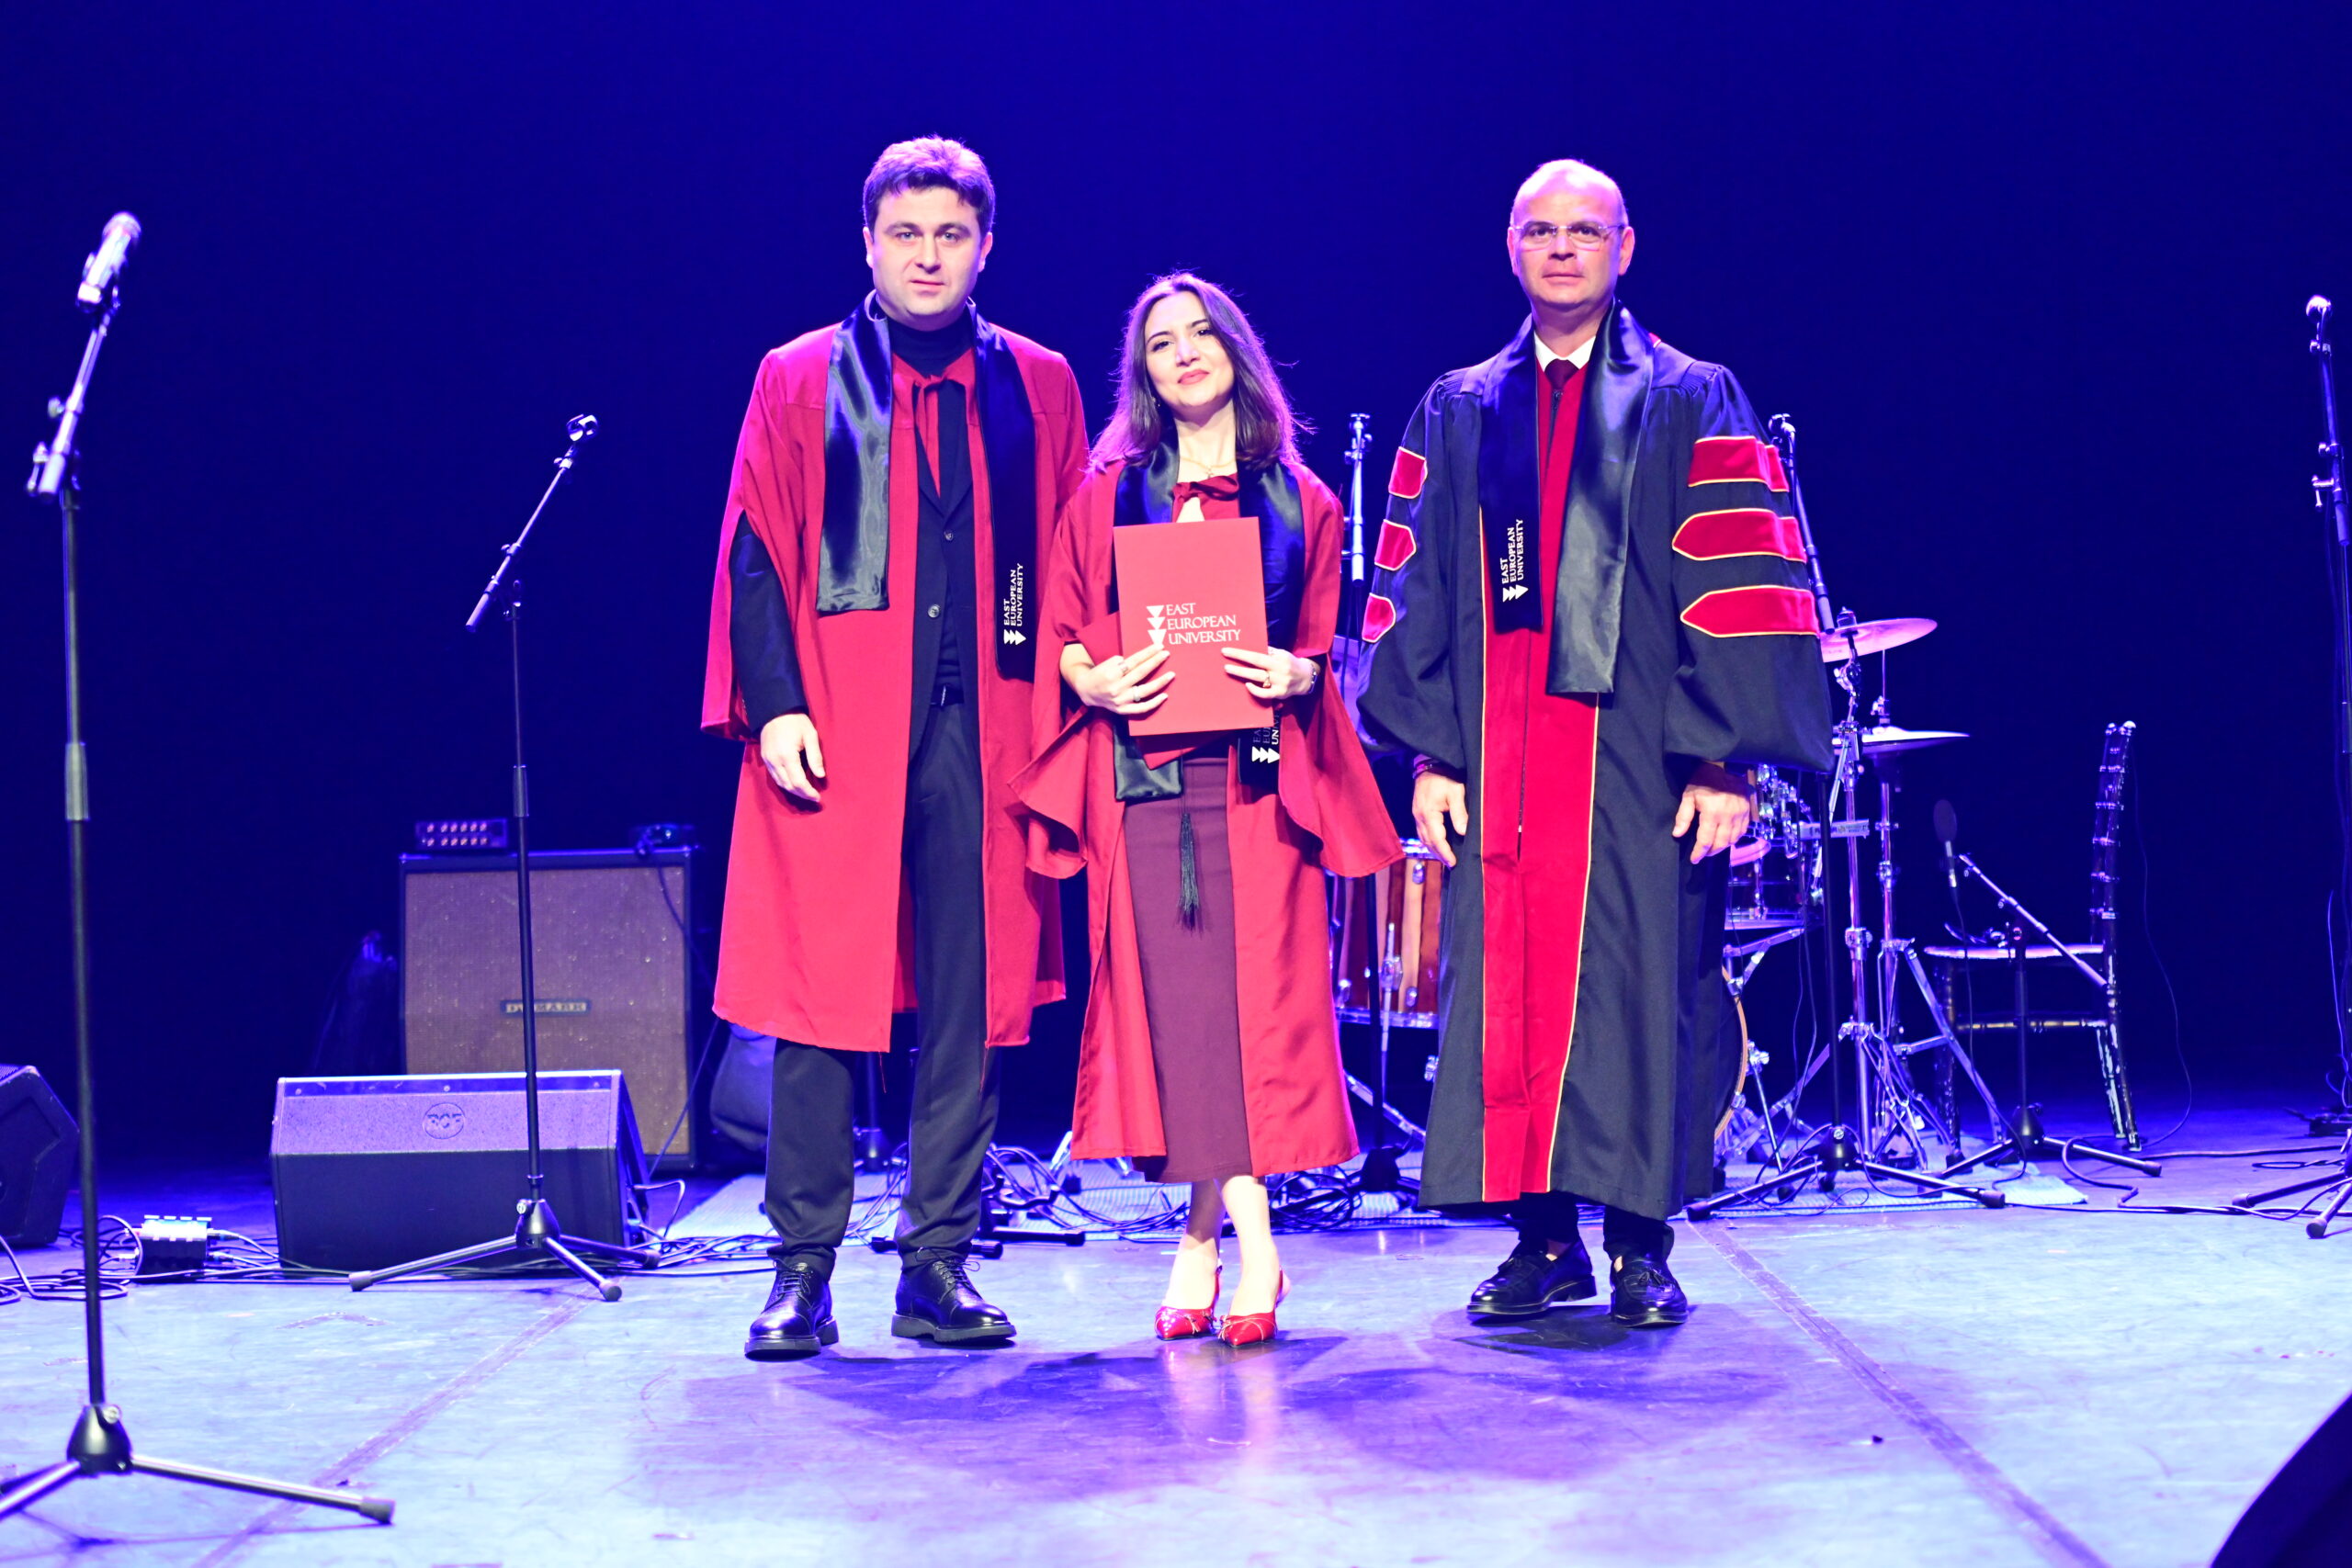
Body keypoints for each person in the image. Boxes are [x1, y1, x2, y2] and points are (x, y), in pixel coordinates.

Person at [1356, 160, 1831, 1327]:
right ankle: (1542, 1243)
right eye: (1540, 229)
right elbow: (1416, 593)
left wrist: (1725, 758)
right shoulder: (1460, 408)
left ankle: (1639, 1245)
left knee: (1638, 994)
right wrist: (1430, 756)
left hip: (1638, 762)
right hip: (1502, 759)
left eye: (1584, 230)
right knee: (1506, 998)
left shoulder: (1691, 397)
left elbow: (1739, 588)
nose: (1561, 248)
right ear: (1509, 246)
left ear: (1625, 247)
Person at [701, 137, 1089, 1358]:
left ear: (986, 247)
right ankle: (801, 1267)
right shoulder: (799, 376)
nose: (929, 258)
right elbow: (755, 548)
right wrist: (775, 706)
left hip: (995, 729)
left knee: (968, 1003)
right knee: (820, 1000)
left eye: (951, 236)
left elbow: (1076, 555)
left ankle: (937, 1261)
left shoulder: (1039, 384)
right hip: (839, 724)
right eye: (907, 235)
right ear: (867, 244)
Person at [1016, 275, 1399, 1345]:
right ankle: (1241, 1240)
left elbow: (1323, 650)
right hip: (1144, 783)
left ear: (1235, 349)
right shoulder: (1104, 496)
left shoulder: (1303, 502)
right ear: (1142, 372)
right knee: (1178, 1013)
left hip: (1257, 784)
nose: (1183, 353)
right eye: (1160, 343)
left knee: (1247, 1014)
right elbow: (1060, 633)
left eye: (1200, 335)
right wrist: (1089, 678)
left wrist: (1299, 672)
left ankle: (1213, 1242)